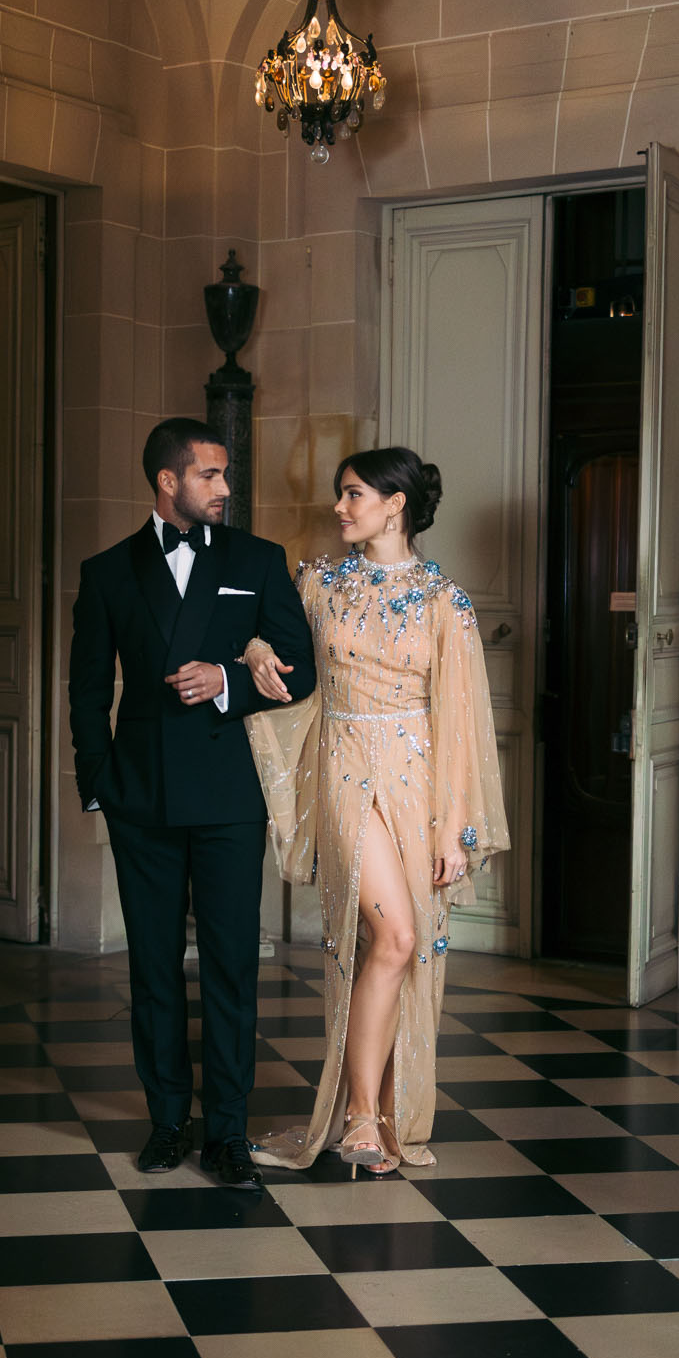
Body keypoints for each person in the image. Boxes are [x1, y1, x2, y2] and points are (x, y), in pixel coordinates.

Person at [242, 447, 508, 1173]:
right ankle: (359, 1116)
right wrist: (258, 649)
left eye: (353, 494)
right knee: (391, 937)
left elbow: (460, 720)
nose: (339, 507)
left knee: (400, 946)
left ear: (395, 505)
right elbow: (269, 637)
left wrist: (457, 826)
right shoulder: (318, 582)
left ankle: (380, 1113)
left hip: (418, 779)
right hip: (343, 766)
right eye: (339, 494)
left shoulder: (442, 600)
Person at [68, 418, 316, 1191]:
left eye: (225, 474)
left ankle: (228, 1132)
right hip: (139, 794)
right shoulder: (108, 571)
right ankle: (168, 1120)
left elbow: (301, 669)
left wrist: (228, 682)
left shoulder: (258, 560)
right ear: (167, 481)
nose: (225, 488)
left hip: (228, 793)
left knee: (232, 964)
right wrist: (97, 779)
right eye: (209, 474)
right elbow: (83, 688)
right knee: (150, 967)